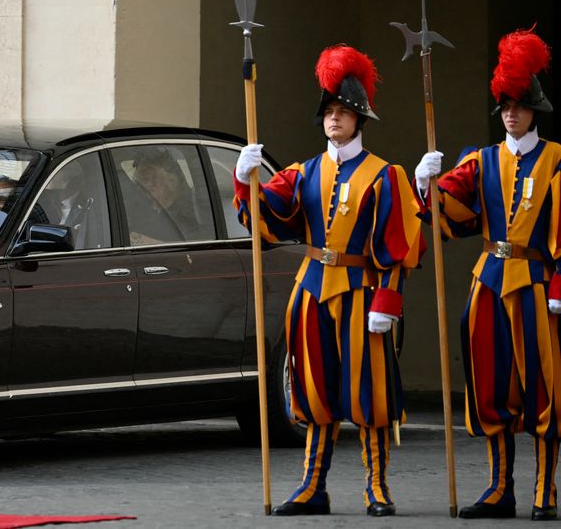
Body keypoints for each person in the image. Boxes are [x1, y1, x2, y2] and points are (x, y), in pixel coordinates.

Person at [234, 45, 425, 517]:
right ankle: (311, 486)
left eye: (343, 112)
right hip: (314, 288)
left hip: (363, 293)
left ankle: (376, 487)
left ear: (360, 120)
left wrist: (388, 300)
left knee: (369, 390)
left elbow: (398, 247)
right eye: (329, 112)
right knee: (314, 389)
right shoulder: (303, 172)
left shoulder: (385, 176)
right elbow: (267, 220)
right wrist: (245, 180)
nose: (334, 119)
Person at [413, 28, 561, 521]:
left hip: (539, 282)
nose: (511, 113)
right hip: (491, 282)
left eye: (518, 105)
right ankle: (500, 487)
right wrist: (425, 182)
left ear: (533, 108)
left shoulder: (558, 161)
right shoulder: (482, 161)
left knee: (544, 386)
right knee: (491, 385)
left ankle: (545, 487)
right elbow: (446, 214)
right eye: (504, 106)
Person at [129, 148, 210, 244]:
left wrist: (155, 244)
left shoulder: (188, 211)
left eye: (147, 179)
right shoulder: (139, 210)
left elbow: (196, 249)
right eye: (141, 180)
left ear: (170, 180)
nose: (142, 187)